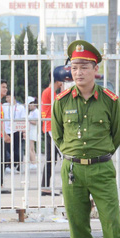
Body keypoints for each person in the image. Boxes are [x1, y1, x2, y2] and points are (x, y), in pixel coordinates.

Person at [52, 40, 120, 238]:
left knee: (112, 222)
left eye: (84, 67)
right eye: (75, 67)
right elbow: (58, 135)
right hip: (72, 170)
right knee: (78, 225)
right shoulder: (62, 101)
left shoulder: (110, 100)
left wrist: (99, 155)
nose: (78, 72)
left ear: (95, 69)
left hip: (101, 169)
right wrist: (74, 155)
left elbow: (117, 135)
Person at [40, 65, 71, 196]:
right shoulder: (50, 92)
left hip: (50, 127)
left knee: (51, 158)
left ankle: (45, 186)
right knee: (65, 156)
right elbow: (59, 107)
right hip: (51, 128)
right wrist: (64, 92)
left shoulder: (49, 92)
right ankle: (66, 184)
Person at [26, 96, 39, 169]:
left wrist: (28, 120)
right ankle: (33, 161)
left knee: (30, 148)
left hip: (33, 131)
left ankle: (33, 163)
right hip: (30, 131)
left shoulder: (36, 112)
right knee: (31, 148)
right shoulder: (31, 112)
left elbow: (36, 122)